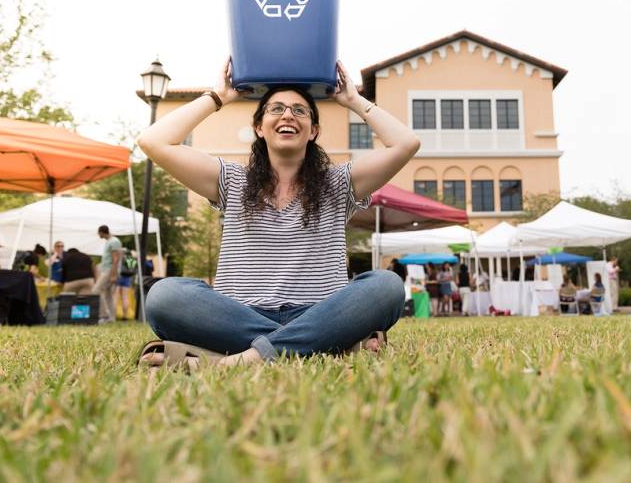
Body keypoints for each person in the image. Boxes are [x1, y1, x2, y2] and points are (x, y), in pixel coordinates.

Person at [138, 60, 418, 368]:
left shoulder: (339, 183)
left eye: (300, 111)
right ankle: (325, 346)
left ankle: (236, 360)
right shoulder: (231, 181)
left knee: (387, 286)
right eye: (276, 109)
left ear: (314, 131)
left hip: (318, 313)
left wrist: (353, 100)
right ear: (259, 127)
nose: (288, 114)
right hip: (239, 317)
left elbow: (406, 144)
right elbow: (153, 141)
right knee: (164, 296)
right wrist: (219, 96)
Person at [93, 225, 123, 323]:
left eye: (99, 233)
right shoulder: (109, 242)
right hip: (107, 270)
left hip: (109, 271)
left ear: (102, 232)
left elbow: (116, 258)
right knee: (108, 294)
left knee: (96, 290)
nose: (98, 235)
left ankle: (104, 315)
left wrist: (113, 274)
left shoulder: (114, 241)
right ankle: (111, 318)